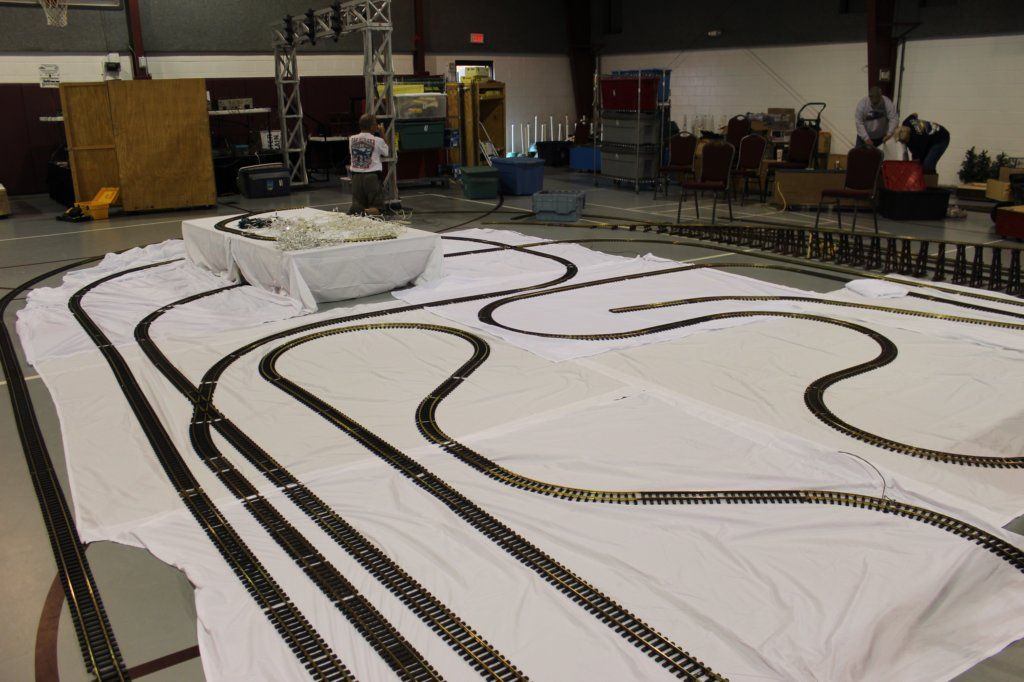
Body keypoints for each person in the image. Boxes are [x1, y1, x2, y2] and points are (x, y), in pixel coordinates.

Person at [348, 113, 389, 215]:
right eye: (375, 124)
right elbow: (386, 152)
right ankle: (365, 212)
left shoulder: (351, 139)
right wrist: (382, 133)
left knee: (358, 205)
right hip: (371, 177)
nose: (377, 126)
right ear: (372, 127)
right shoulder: (378, 140)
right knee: (378, 208)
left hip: (356, 177)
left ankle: (358, 211)